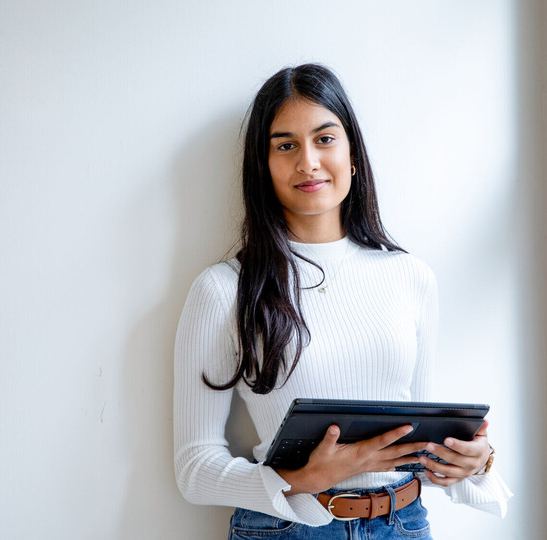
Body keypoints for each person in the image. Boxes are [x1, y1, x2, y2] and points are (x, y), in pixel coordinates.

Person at [173, 64, 512, 539]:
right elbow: (193, 466)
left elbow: (415, 432)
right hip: (288, 529)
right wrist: (298, 480)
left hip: (404, 523)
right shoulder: (224, 289)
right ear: (263, 165)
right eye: (285, 145)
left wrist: (474, 461)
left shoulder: (410, 276)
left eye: (325, 139)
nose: (308, 161)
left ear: (353, 154)